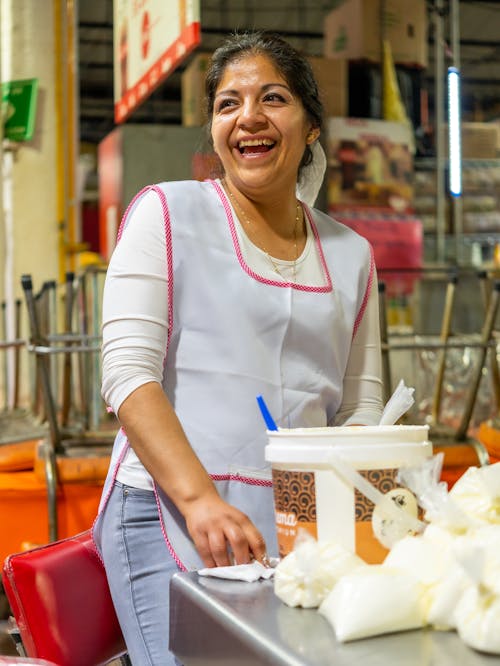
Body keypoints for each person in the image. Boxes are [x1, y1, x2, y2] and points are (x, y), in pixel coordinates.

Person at [93, 30, 384, 666]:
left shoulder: (351, 254)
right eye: (228, 104)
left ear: (310, 126)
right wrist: (199, 501)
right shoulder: (167, 214)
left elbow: (362, 409)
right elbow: (128, 378)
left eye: (272, 98)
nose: (248, 117)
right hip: (167, 507)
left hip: (299, 524)